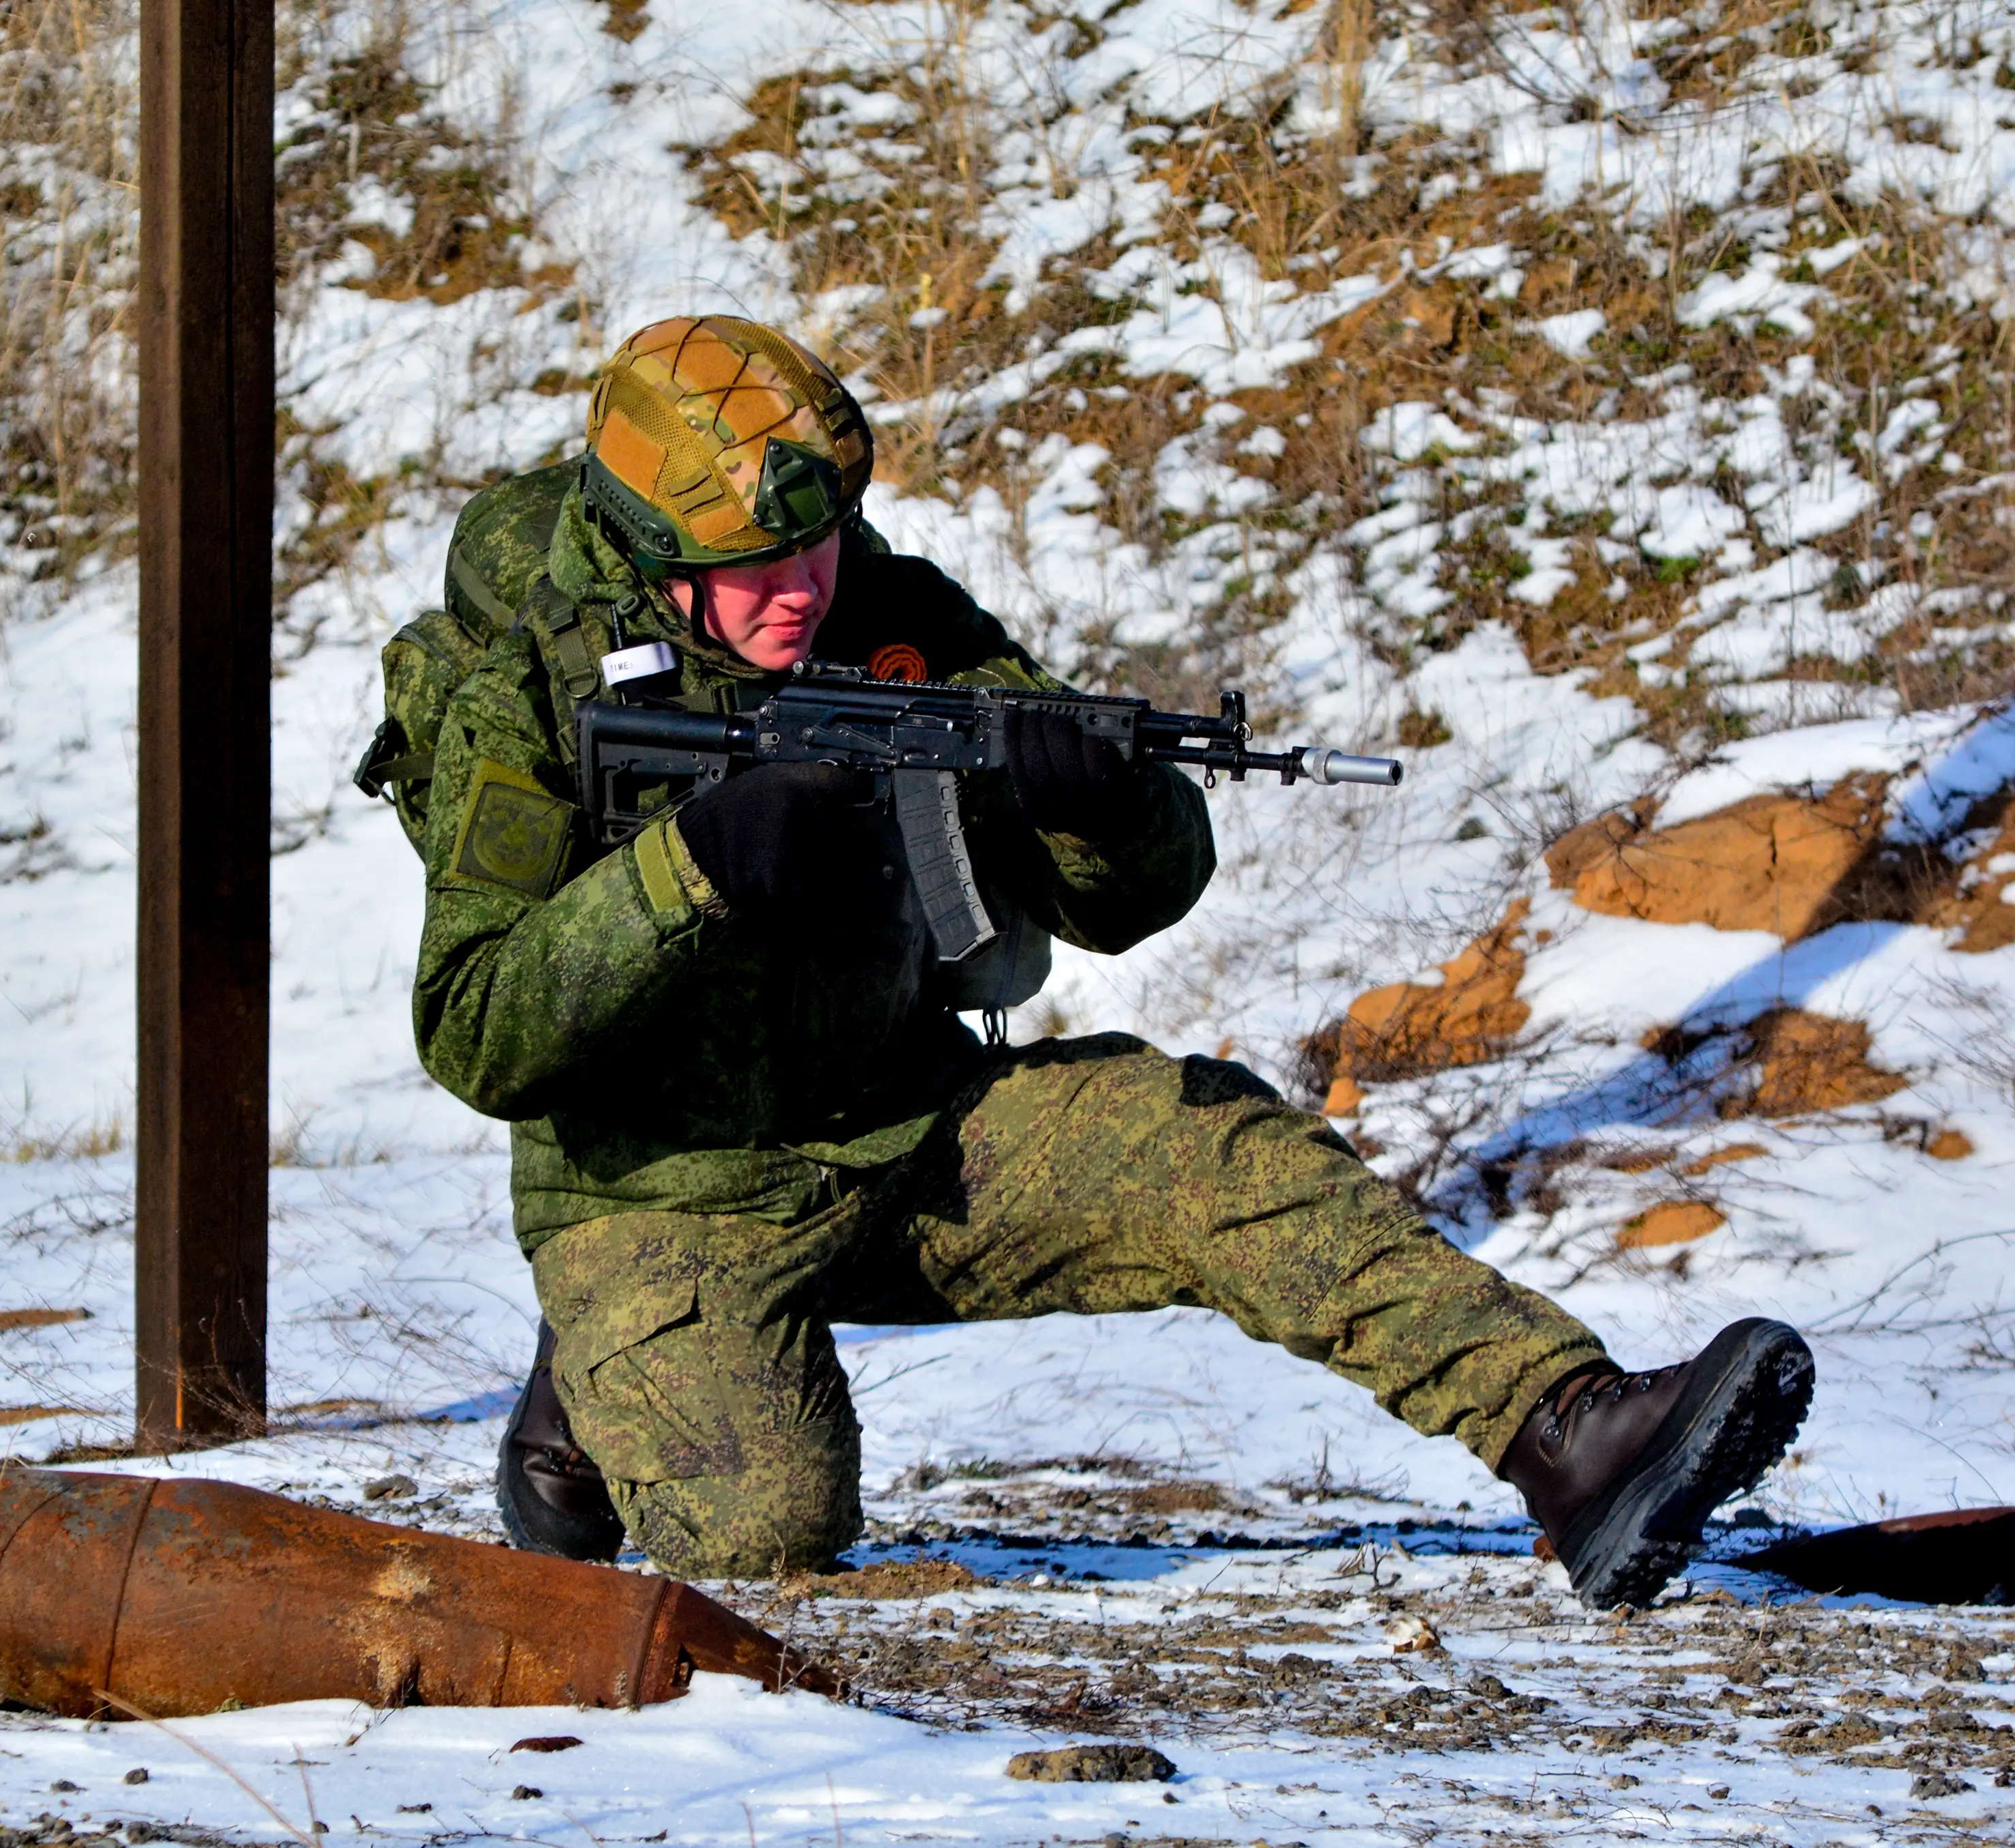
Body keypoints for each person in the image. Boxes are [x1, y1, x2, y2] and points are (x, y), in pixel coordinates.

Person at [407, 315, 1813, 1607]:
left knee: (1217, 1152)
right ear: (655, 559)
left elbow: (1132, 902)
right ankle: (596, 1366)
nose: (800, 593)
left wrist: (1099, 802)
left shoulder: (898, 621)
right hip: (655, 1195)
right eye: (752, 570)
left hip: (908, 1133)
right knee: (770, 1526)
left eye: (821, 547)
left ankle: (1567, 1432)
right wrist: (687, 868)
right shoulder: (530, 693)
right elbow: (476, 1031)